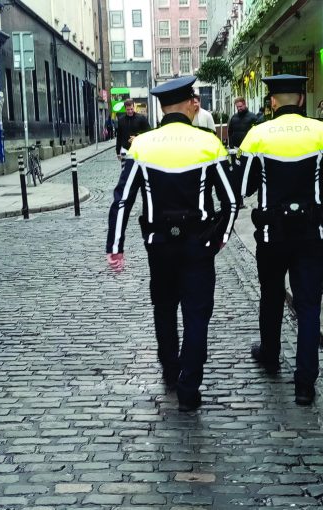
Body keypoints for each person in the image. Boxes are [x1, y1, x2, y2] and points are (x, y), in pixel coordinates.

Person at [106, 75, 238, 412]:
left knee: (164, 308)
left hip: (159, 245)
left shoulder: (143, 145)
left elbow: (122, 200)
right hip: (198, 244)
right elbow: (232, 202)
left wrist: (116, 246)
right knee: (196, 316)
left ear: (163, 107)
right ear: (188, 102)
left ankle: (169, 368)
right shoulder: (208, 144)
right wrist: (221, 238)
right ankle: (189, 388)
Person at [238, 74, 323, 406]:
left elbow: (243, 187)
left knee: (271, 297)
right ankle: (305, 383)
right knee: (308, 306)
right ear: (301, 100)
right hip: (311, 234)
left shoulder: (257, 135)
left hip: (271, 235)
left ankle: (271, 354)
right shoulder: (322, 133)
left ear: (272, 102)